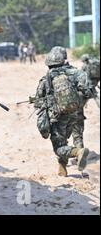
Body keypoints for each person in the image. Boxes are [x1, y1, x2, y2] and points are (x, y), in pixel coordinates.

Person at [34, 46, 92, 177]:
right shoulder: (77, 73)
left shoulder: (47, 78)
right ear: (64, 58)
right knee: (75, 137)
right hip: (76, 114)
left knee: (59, 147)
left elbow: (38, 100)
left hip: (58, 117)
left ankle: (77, 152)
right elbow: (88, 91)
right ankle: (62, 169)